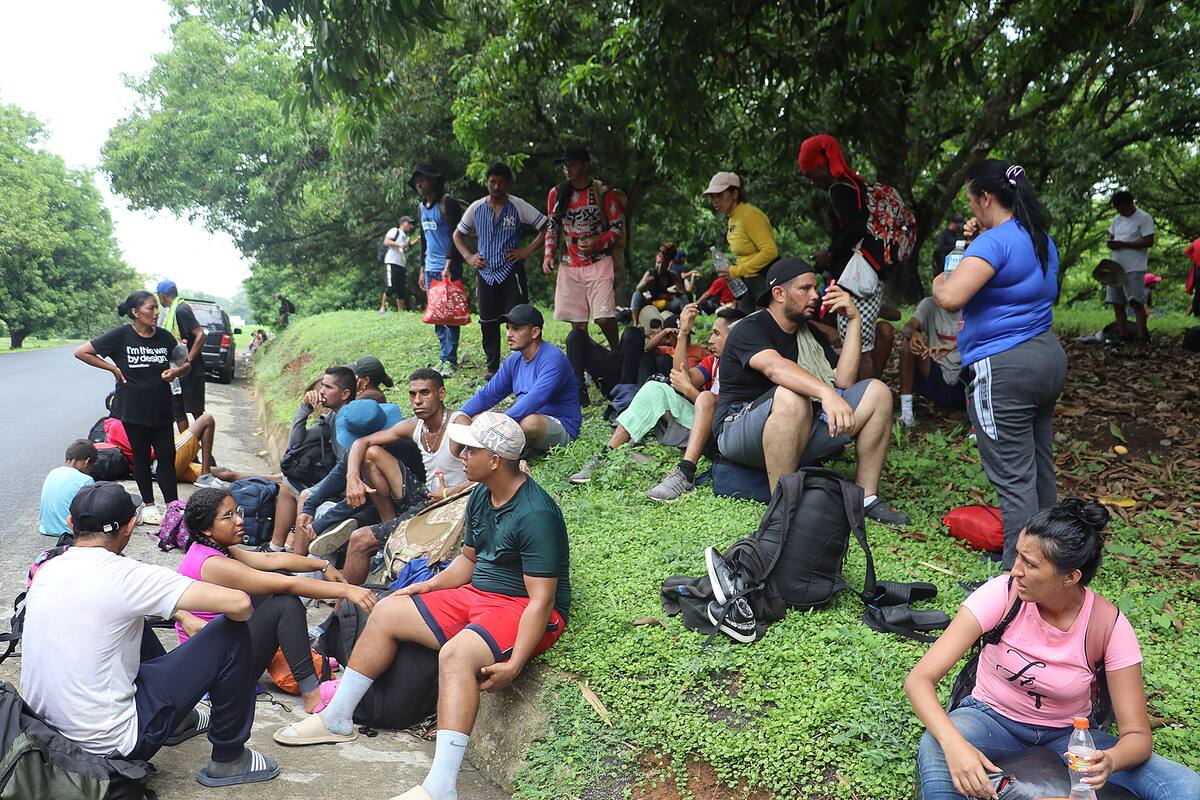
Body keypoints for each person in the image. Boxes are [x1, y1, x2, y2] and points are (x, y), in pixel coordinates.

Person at [273, 413, 570, 800]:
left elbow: (542, 601)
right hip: (477, 595)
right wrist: (426, 586)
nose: (461, 454)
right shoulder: (481, 494)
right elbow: (468, 561)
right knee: (388, 610)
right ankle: (337, 717)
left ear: (495, 460)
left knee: (456, 655)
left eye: (471, 450)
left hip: (522, 606)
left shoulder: (536, 514)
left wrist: (515, 664)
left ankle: (442, 786)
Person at [905, 499, 1200, 800]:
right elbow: (919, 680)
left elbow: (1137, 736)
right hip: (990, 720)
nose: (1015, 570)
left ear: (1070, 576)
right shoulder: (1001, 595)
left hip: (1068, 737)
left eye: (1030, 564)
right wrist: (956, 745)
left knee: (1186, 787)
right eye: (1018, 555)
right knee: (938, 745)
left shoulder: (1107, 625)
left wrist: (1109, 760)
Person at [22, 482, 279, 787]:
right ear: (131, 525)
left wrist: (180, 613)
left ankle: (180, 722)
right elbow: (240, 604)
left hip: (48, 735)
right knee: (231, 631)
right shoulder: (128, 575)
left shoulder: (48, 568)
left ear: (70, 524)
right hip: (111, 745)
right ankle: (230, 758)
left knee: (128, 621)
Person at [932, 160, 1067, 570]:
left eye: (972, 201)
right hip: (1046, 357)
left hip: (1005, 367)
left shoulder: (994, 243)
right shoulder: (1039, 237)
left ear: (986, 198)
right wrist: (981, 240)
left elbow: (950, 297)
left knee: (1014, 477)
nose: (970, 210)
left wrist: (940, 277)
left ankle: (1018, 577)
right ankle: (1052, 560)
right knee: (1039, 467)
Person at [714, 258, 910, 524]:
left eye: (814, 288)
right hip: (739, 431)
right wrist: (826, 393)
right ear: (779, 293)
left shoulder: (811, 335)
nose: (815, 295)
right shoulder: (751, 328)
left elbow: (844, 379)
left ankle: (866, 498)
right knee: (792, 395)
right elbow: (774, 368)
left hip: (800, 426)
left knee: (877, 392)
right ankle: (782, 508)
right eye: (804, 289)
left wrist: (854, 319)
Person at [174, 488, 376, 712]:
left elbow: (271, 558)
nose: (239, 520)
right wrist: (347, 591)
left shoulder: (211, 548)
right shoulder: (213, 564)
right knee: (285, 603)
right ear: (206, 529)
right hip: (218, 676)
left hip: (222, 655)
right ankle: (312, 693)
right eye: (228, 516)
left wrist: (323, 565)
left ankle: (301, 658)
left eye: (237, 511)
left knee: (275, 582)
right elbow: (289, 585)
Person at [311, 369, 469, 585]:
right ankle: (388, 532)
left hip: (453, 506)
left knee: (359, 539)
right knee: (371, 454)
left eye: (425, 393)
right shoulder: (414, 426)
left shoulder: (458, 425)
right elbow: (361, 442)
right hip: (426, 498)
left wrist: (450, 492)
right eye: (412, 394)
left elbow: (491, 470)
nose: (417, 400)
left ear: (441, 393)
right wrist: (352, 478)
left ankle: (343, 605)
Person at [570, 304, 742, 485]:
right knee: (654, 387)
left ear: (735, 337)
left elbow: (721, 411)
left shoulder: (742, 368)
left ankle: (683, 471)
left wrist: (689, 390)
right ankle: (605, 455)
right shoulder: (714, 361)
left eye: (717, 334)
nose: (710, 340)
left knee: (701, 396)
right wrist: (683, 333)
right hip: (701, 421)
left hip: (720, 434)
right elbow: (681, 375)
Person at [75, 291, 191, 522]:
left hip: (162, 408)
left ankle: (172, 505)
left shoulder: (165, 338)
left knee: (166, 456)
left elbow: (185, 364)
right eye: (151, 308)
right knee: (140, 457)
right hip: (133, 409)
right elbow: (82, 352)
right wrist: (113, 368)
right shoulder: (121, 336)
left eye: (157, 308)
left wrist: (176, 371)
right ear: (135, 312)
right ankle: (149, 505)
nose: (156, 313)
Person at [797, 134, 897, 380]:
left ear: (822, 165)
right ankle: (869, 393)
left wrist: (830, 253)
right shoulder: (855, 184)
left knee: (858, 348)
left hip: (856, 278)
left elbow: (855, 230)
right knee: (862, 344)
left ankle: (865, 397)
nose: (811, 181)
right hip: (868, 273)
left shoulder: (840, 189)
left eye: (811, 174)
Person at [453, 162, 549, 377]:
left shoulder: (518, 205)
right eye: (493, 182)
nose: (497, 186)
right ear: (486, 182)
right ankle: (492, 368)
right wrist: (469, 256)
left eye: (501, 182)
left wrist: (526, 251)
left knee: (519, 318)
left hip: (511, 270)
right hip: (485, 272)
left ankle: (524, 365)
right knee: (487, 321)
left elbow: (546, 226)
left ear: (508, 183)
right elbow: (457, 234)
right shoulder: (476, 208)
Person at [456, 304, 581, 456]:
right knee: (476, 418)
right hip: (522, 418)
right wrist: (462, 413)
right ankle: (511, 451)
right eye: (508, 328)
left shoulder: (553, 359)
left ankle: (508, 454)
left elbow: (535, 399)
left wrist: (498, 425)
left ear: (534, 332)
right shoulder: (514, 360)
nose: (509, 334)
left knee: (529, 423)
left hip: (560, 425)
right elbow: (488, 395)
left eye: (516, 329)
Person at [261, 367, 357, 553]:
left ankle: (297, 560)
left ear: (345, 394)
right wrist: (304, 407)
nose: (321, 391)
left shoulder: (352, 421)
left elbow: (345, 469)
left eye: (328, 387)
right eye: (322, 386)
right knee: (288, 484)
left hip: (346, 487)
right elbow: (296, 443)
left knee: (306, 496)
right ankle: (275, 547)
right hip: (336, 479)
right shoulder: (333, 417)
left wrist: (318, 490)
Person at [543, 145, 624, 350]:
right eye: (565, 166)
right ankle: (586, 361)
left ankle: (616, 351)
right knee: (578, 324)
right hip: (569, 263)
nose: (568, 169)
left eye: (572, 165)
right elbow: (552, 226)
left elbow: (617, 227)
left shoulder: (603, 192)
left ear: (585, 166)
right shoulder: (557, 193)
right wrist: (548, 254)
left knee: (603, 317)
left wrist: (598, 243)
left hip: (600, 262)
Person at [564, 304, 682, 405]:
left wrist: (665, 342)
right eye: (656, 325)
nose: (659, 331)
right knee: (576, 335)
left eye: (667, 333)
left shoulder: (674, 354)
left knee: (635, 337)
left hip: (636, 379)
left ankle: (626, 392)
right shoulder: (641, 338)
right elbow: (641, 346)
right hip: (618, 370)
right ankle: (578, 392)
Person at [411, 164, 467, 376]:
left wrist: (450, 263)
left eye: (423, 179)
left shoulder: (447, 203)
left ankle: (450, 360)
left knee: (449, 315)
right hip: (430, 267)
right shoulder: (421, 207)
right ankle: (443, 357)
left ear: (433, 181)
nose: (419, 184)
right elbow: (424, 239)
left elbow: (457, 235)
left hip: (448, 267)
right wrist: (422, 268)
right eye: (417, 181)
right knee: (437, 314)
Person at [702, 171, 778, 313]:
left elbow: (770, 251)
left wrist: (736, 271)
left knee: (761, 324)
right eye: (712, 197)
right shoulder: (732, 218)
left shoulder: (749, 215)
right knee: (740, 322)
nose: (715, 201)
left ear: (735, 194)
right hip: (749, 284)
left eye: (719, 195)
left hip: (764, 281)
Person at [898, 296, 965, 428]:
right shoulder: (930, 304)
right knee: (907, 345)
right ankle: (906, 414)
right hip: (937, 368)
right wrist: (913, 333)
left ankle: (974, 410)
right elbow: (909, 326)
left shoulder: (974, 304)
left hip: (966, 374)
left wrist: (955, 345)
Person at [155, 280, 208, 425]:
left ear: (162, 295)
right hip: (177, 369)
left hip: (191, 371)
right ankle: (186, 441)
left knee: (196, 412)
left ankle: (204, 440)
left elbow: (201, 334)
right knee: (178, 411)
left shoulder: (181, 310)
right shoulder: (171, 312)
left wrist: (188, 360)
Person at [1106, 191, 1155, 343]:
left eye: (1121, 208)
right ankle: (1123, 336)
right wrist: (1112, 243)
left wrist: (1123, 244)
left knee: (1136, 302)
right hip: (1116, 266)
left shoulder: (1144, 218)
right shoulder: (1117, 219)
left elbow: (1149, 241)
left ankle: (1142, 337)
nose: (1120, 211)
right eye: (1117, 209)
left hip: (1134, 266)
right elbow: (1112, 236)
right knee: (1117, 302)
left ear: (1129, 204)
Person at [38, 439, 96, 537]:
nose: (90, 471)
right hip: (70, 531)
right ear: (87, 462)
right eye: (92, 466)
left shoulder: (53, 473)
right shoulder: (85, 480)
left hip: (47, 529)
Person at [631, 242, 687, 316]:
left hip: (667, 305)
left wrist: (675, 291)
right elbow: (638, 288)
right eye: (658, 263)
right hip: (651, 305)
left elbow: (682, 292)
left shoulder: (672, 275)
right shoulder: (650, 273)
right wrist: (645, 283)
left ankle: (686, 319)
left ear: (668, 264)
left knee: (683, 298)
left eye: (662, 264)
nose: (660, 266)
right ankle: (635, 321)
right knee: (636, 294)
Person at [381, 216, 420, 314]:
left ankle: (400, 312)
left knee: (401, 290)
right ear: (403, 223)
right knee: (390, 287)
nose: (411, 226)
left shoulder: (405, 237)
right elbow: (386, 242)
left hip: (401, 265)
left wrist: (418, 239)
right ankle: (382, 308)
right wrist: (399, 245)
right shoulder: (395, 231)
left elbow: (409, 246)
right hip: (391, 262)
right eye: (409, 223)